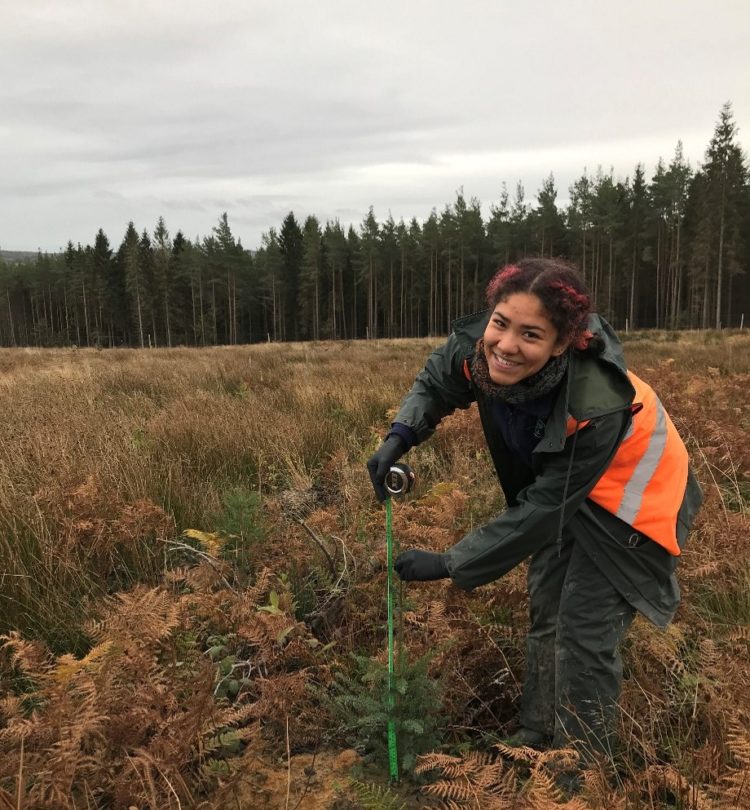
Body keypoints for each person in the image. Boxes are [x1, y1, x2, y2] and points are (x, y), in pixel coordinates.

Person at [366, 257, 702, 779]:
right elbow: (435, 381)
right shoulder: (479, 346)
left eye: (531, 334)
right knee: (547, 608)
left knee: (583, 634)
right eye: (501, 322)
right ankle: (535, 737)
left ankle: (577, 775)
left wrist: (452, 562)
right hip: (572, 496)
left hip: (635, 510)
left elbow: (545, 508)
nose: (505, 345)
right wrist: (401, 435)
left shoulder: (593, 403)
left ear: (561, 344)